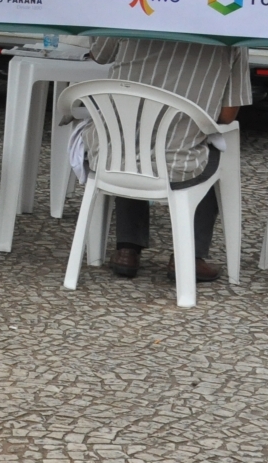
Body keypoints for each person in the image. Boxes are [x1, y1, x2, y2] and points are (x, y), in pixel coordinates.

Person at [79, 36, 249, 281]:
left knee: (131, 140)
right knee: (209, 150)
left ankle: (127, 250)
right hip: (179, 161)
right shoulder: (234, 37)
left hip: (110, 156)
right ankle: (189, 257)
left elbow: (100, 55)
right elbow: (227, 115)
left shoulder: (131, 9)